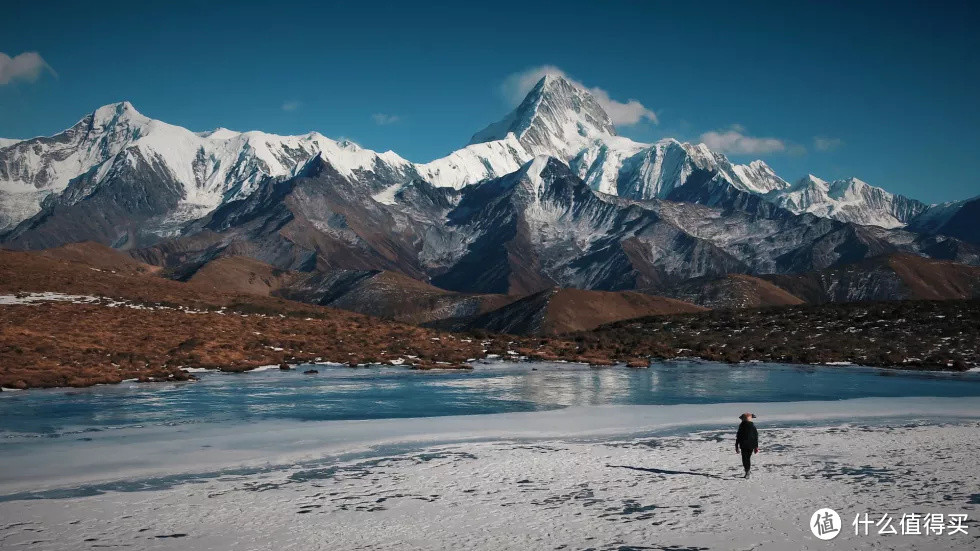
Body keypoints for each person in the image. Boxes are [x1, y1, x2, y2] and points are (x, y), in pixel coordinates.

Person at [735, 412, 759, 478]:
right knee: (747, 458)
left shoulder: (742, 426)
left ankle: (747, 471)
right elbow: (755, 436)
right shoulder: (752, 426)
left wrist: (736, 446)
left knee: (745, 458)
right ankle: (747, 470)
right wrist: (756, 446)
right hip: (751, 444)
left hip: (744, 444)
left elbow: (738, 436)